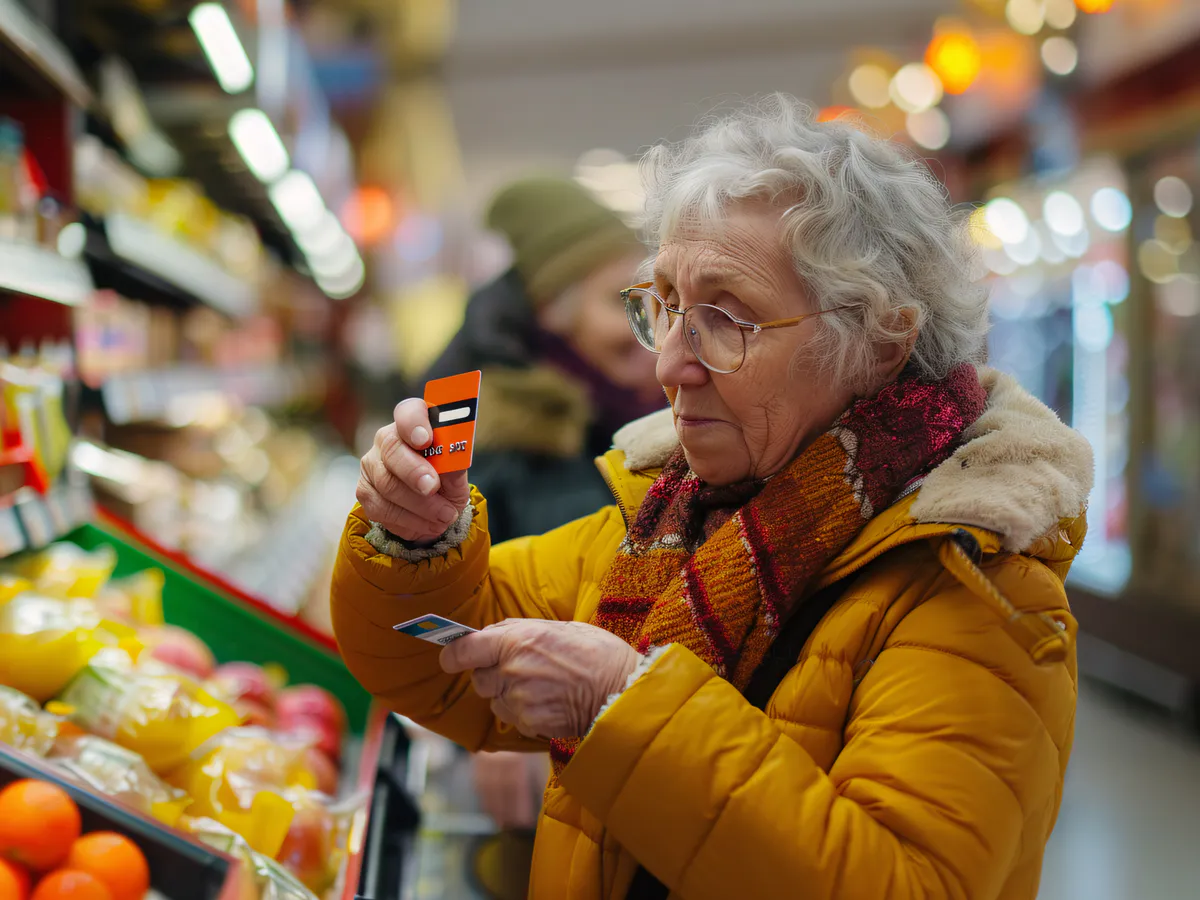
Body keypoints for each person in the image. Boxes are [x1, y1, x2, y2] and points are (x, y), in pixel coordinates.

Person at [333, 95, 1093, 900]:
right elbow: (431, 665)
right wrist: (415, 542)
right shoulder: (669, 515)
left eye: (726, 319)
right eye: (662, 308)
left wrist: (622, 705)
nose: (668, 365)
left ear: (877, 340)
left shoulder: (978, 588)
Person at [422, 174, 663, 545]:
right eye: (619, 301)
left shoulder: (620, 406)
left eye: (648, 301)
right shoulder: (509, 438)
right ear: (553, 309)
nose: (646, 325)